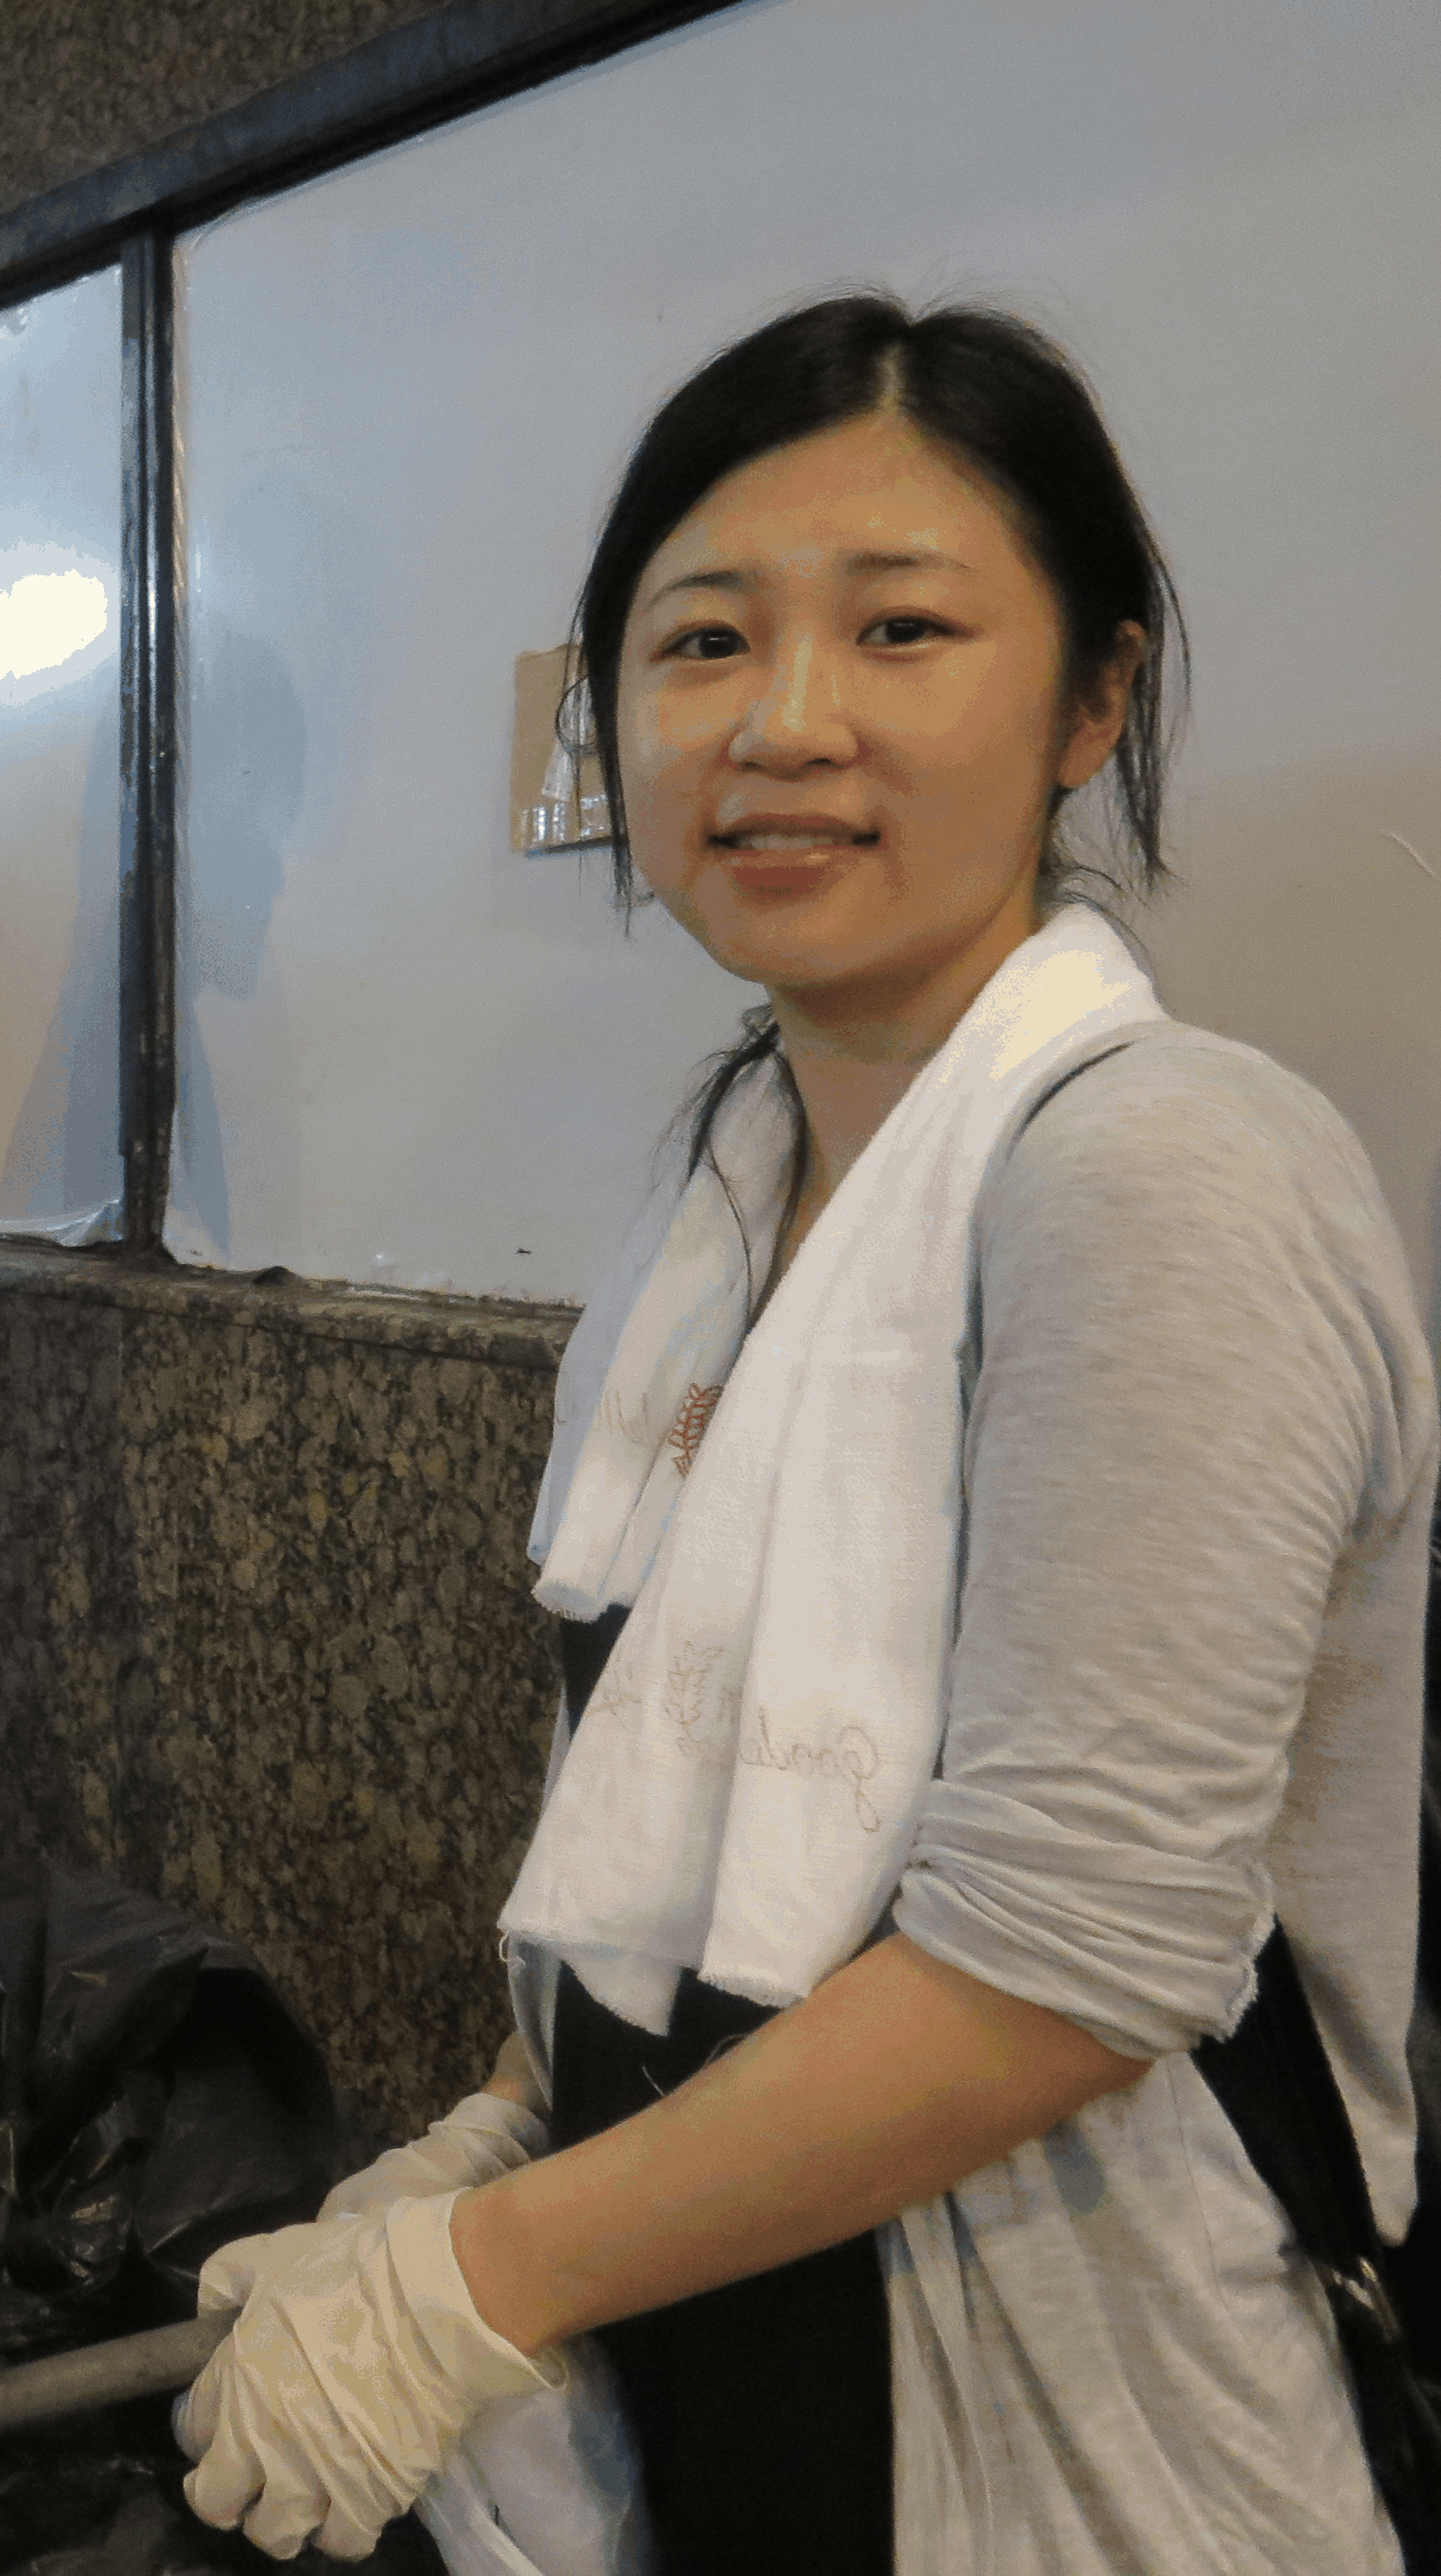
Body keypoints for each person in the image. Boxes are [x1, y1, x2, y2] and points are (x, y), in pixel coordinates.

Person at [172, 298, 1435, 2575]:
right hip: (739, 2371)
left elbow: (1067, 1966)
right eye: (701, 642)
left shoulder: (1163, 1175)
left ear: (1097, 698)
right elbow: (667, 1830)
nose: (783, 724)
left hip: (1083, 2455)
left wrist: (475, 2284)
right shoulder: (731, 1197)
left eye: (906, 629)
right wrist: (501, 2133)